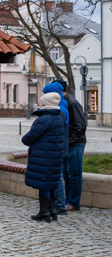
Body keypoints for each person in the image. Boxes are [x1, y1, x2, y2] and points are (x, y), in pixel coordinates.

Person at [21, 92, 67, 222]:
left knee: (44, 184)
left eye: (41, 101)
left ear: (46, 103)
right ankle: (52, 210)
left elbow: (30, 137)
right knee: (51, 182)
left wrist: (24, 139)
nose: (39, 104)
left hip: (44, 155)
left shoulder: (44, 119)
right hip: (55, 155)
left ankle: (44, 211)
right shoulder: (60, 116)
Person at [54, 81, 87, 212]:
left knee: (74, 174)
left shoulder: (72, 103)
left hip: (75, 144)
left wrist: (70, 143)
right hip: (68, 144)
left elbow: (80, 126)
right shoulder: (63, 102)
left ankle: (73, 203)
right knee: (66, 174)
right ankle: (67, 200)